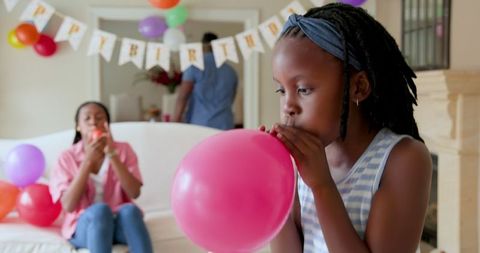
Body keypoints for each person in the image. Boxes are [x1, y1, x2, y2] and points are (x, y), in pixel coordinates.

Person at [266, 3, 432, 253]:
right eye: (281, 90)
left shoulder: (403, 159)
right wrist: (274, 186)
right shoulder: (301, 165)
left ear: (359, 87)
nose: (288, 107)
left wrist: (322, 186)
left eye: (303, 89)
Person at [49, 101, 153, 253]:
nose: (93, 122)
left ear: (107, 124)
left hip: (116, 224)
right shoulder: (66, 157)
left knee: (130, 210)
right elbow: (68, 205)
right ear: (78, 126)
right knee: (100, 211)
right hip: (84, 226)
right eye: (87, 118)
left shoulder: (123, 149)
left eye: (99, 117)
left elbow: (134, 193)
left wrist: (112, 154)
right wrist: (87, 161)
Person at [173, 32, 238, 130]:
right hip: (225, 124)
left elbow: (183, 96)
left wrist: (175, 121)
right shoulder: (231, 71)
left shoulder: (194, 67)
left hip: (200, 124)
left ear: (202, 46)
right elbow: (232, 99)